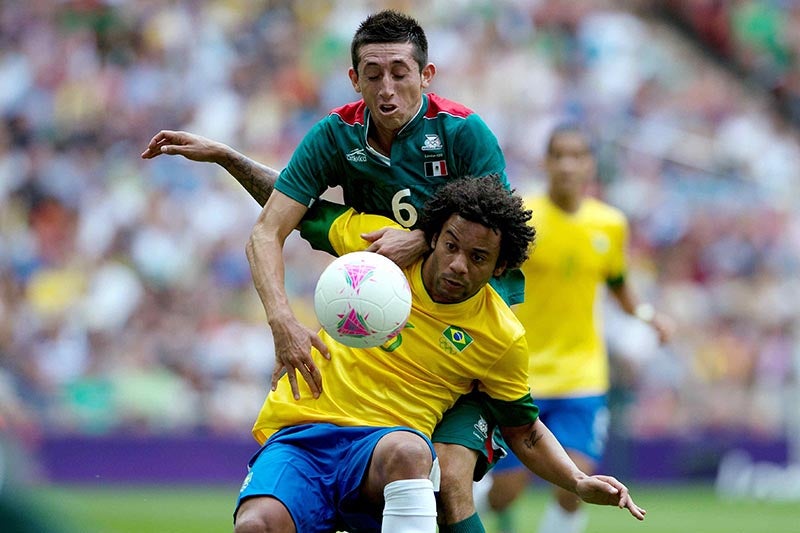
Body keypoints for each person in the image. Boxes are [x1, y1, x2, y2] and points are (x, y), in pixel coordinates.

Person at [142, 9, 524, 529]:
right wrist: (282, 322)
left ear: (426, 76)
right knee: (387, 476)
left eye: (400, 73)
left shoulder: (463, 133)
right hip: (391, 329)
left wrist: (424, 239)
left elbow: (500, 228)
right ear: (354, 79)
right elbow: (280, 225)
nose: (386, 88)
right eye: (373, 75)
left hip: (468, 335)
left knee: (451, 484)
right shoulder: (336, 135)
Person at [233, 175, 645, 532]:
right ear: (433, 236)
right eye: (451, 246)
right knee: (257, 524)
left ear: (499, 269)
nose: (457, 265)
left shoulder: (499, 335)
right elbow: (297, 206)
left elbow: (525, 431)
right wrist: (225, 157)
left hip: (384, 451)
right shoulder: (381, 247)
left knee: (413, 453)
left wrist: (575, 480)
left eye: (478, 258)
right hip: (302, 434)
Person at [476, 124, 672, 533]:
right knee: (507, 489)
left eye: (576, 156)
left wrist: (650, 316)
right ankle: (462, 506)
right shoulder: (521, 218)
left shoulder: (610, 224)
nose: (567, 165)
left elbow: (618, 285)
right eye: (558, 156)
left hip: (582, 375)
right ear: (546, 163)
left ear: (590, 165)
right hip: (520, 373)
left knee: (577, 484)